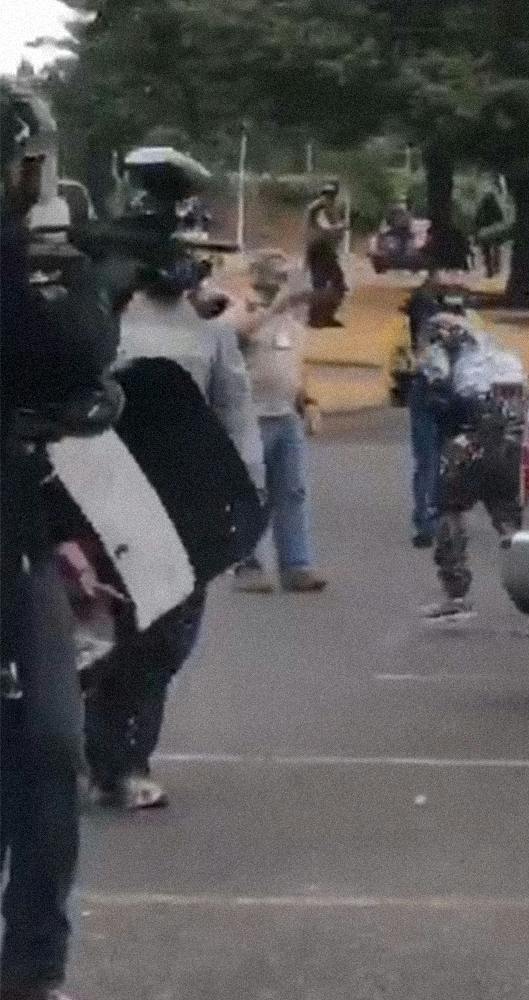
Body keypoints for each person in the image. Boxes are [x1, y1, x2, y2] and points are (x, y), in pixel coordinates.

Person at [1, 79, 119, 1000]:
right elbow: (70, 354)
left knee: (47, 746)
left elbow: (74, 366)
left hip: (16, 537)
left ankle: (34, 963)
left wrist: (65, 263)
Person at [83, 244, 263, 810]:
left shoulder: (209, 337)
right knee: (112, 631)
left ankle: (124, 753)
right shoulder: (103, 329)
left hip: (186, 504)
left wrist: (247, 495)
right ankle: (111, 756)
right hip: (111, 500)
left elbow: (237, 418)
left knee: (167, 640)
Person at [417, 311, 525, 623]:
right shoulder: (501, 355)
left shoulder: (446, 357)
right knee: (507, 520)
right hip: (507, 440)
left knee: (450, 510)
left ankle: (456, 594)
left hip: (468, 437)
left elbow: (441, 401)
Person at [229, 251, 327, 594]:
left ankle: (296, 564)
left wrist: (307, 402)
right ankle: (249, 564)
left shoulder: (292, 322)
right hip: (251, 417)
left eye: (285, 275)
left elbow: (293, 369)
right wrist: (273, 307)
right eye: (276, 274)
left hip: (285, 415)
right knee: (252, 493)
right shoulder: (245, 310)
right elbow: (233, 333)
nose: (282, 280)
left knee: (293, 490)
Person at [400, 269, 467, 547]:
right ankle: (430, 520)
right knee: (432, 458)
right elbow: (424, 348)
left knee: (443, 458)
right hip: (433, 390)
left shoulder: (465, 322)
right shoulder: (428, 313)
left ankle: (438, 516)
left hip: (447, 392)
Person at [304, 182, 346, 328]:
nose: (330, 198)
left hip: (326, 251)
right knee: (321, 285)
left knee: (335, 284)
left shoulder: (329, 208)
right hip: (319, 252)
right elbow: (325, 228)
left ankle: (324, 317)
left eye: (331, 195)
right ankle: (315, 318)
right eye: (328, 195)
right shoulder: (318, 208)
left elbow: (334, 232)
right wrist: (340, 227)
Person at [474, 189, 506, 279]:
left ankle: (490, 269)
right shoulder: (495, 205)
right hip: (493, 230)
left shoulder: (482, 206)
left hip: (485, 230)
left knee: (487, 251)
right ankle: (495, 267)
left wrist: (477, 232)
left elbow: (477, 220)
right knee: (495, 249)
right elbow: (500, 218)